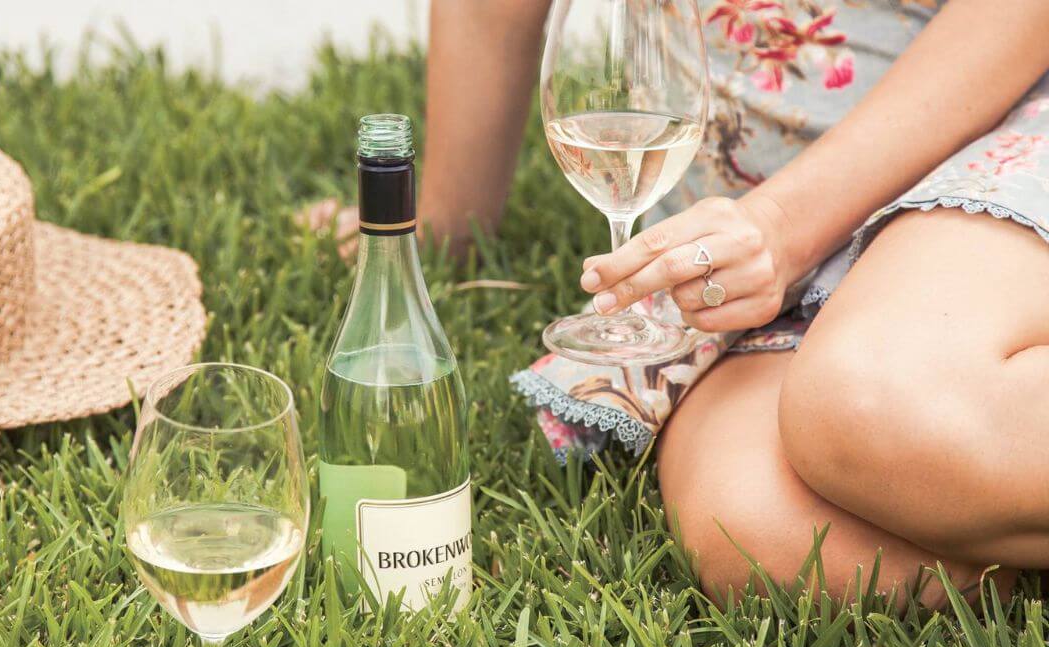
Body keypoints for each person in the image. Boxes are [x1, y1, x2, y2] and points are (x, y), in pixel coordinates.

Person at [304, 0, 1049, 606]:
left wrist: (784, 225)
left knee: (869, 398)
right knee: (757, 533)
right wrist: (439, 225)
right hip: (730, 222)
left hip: (970, 131)